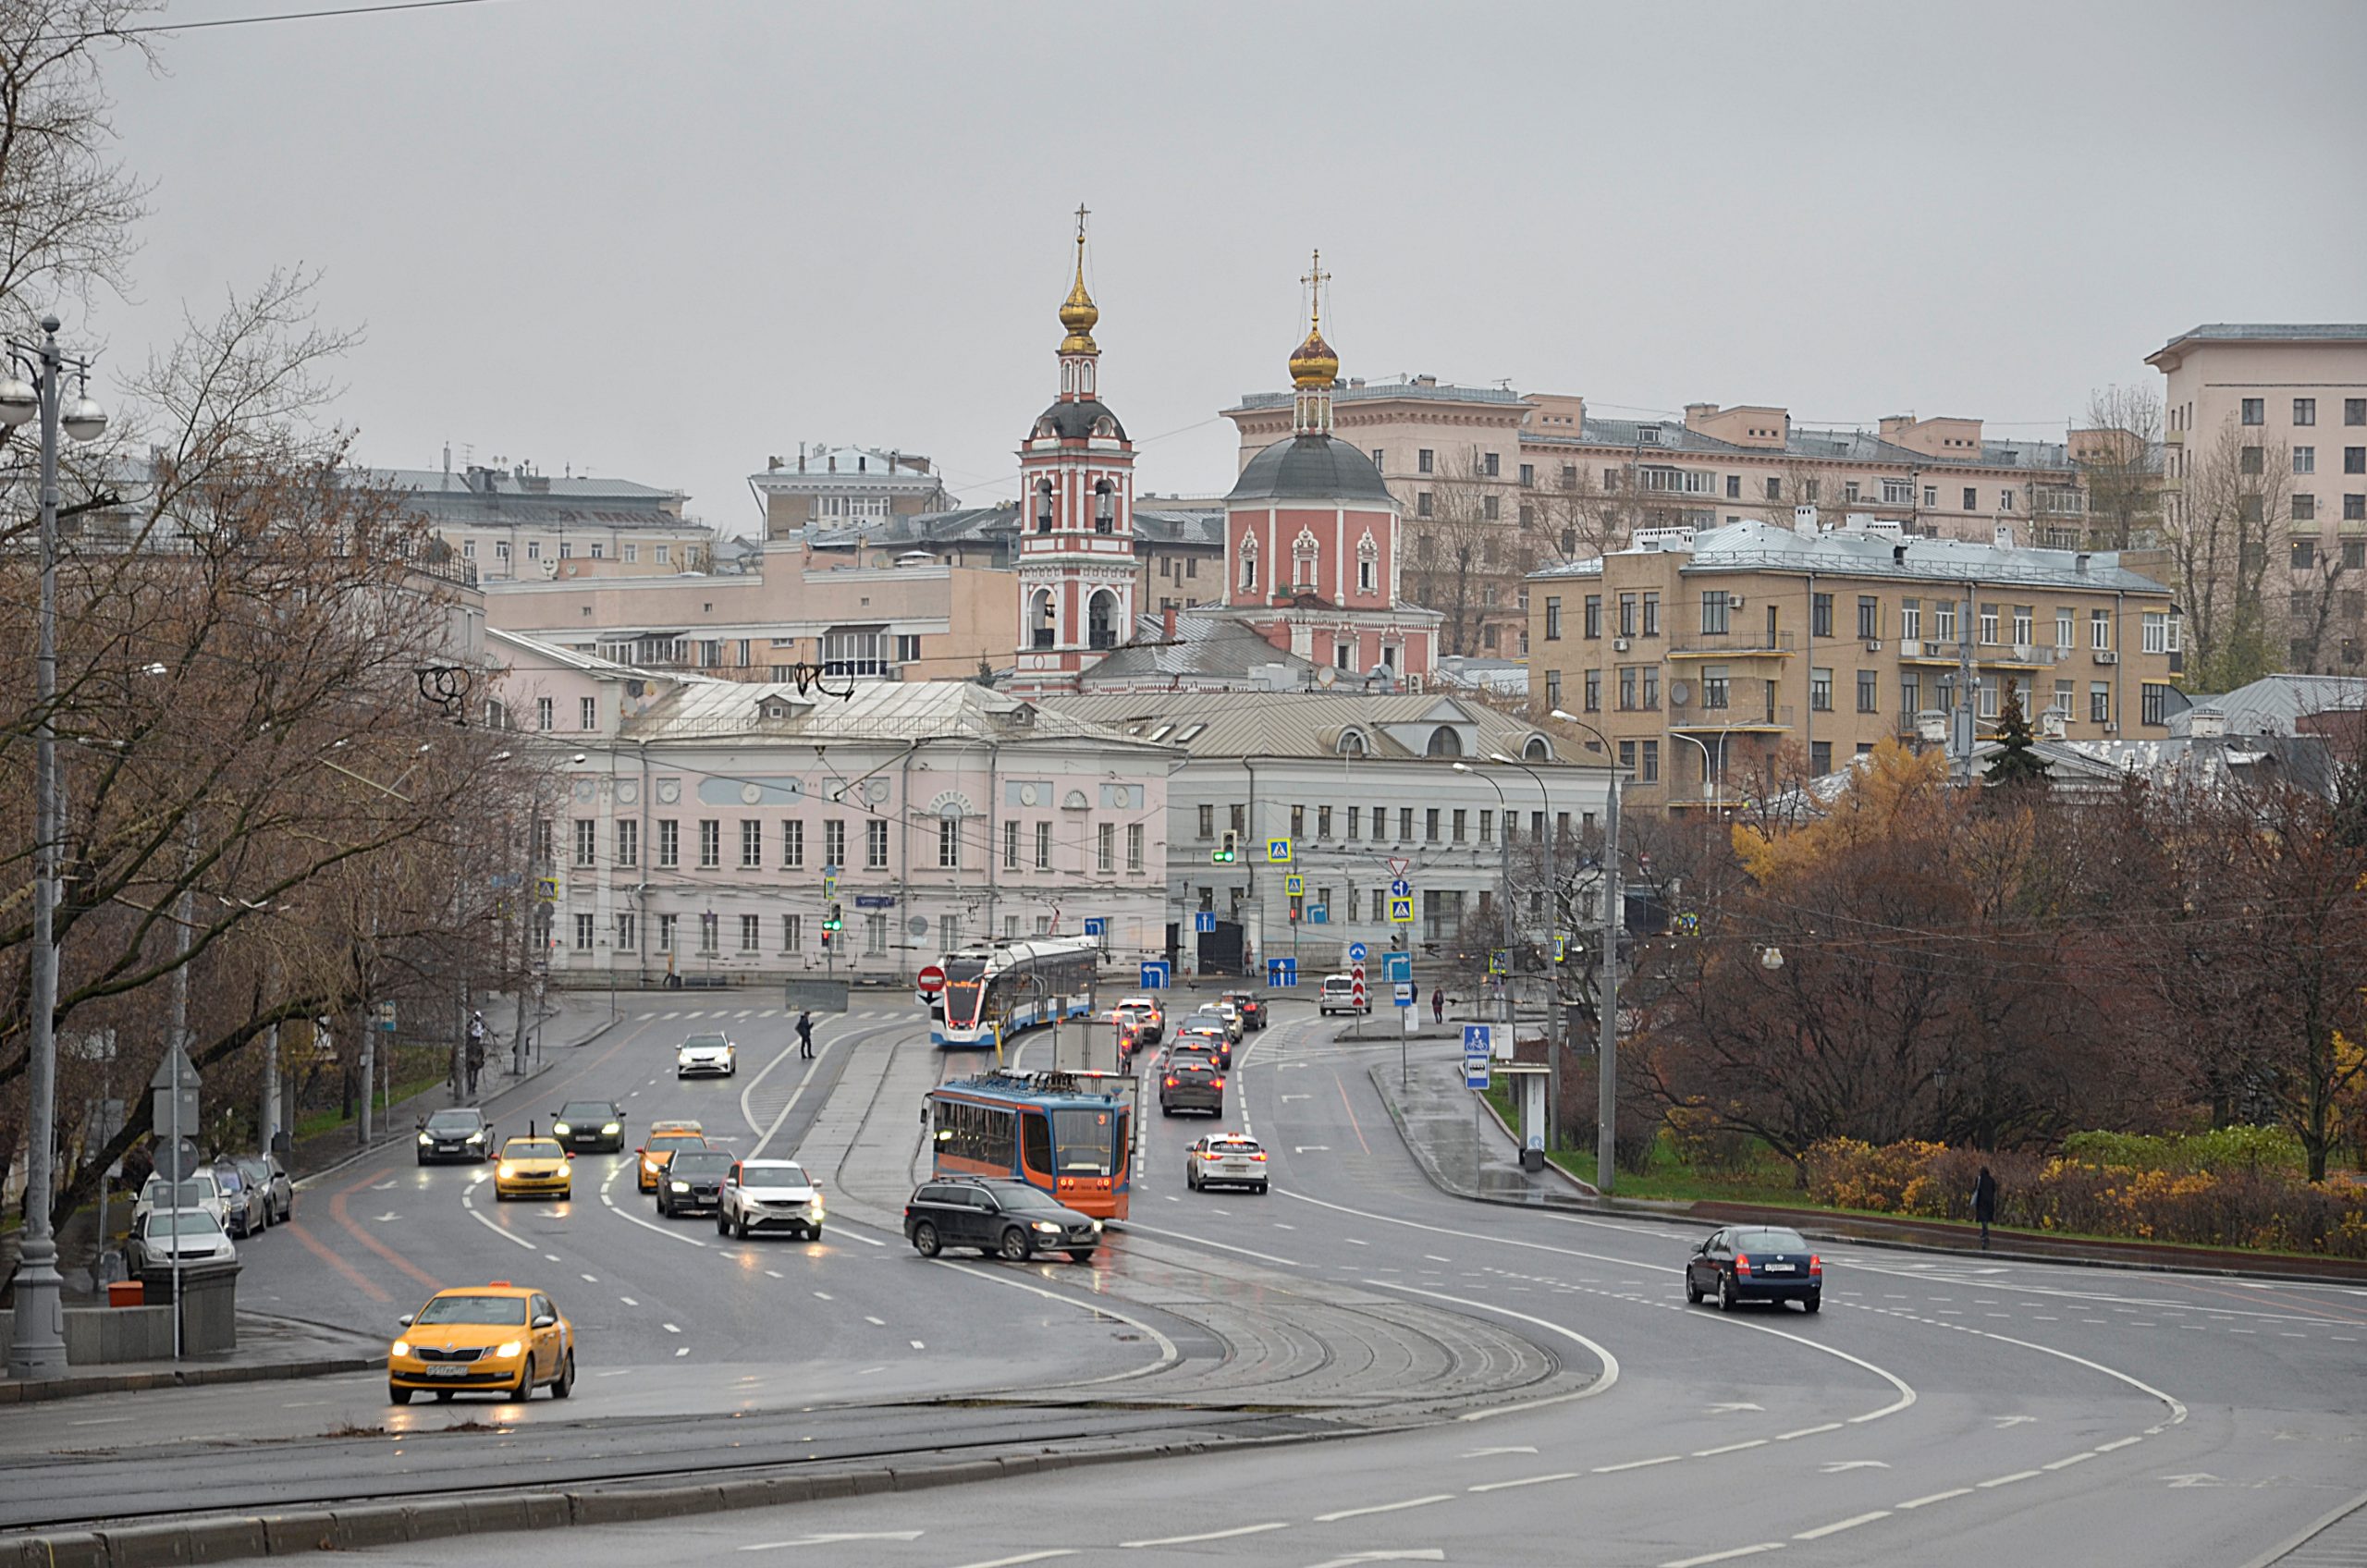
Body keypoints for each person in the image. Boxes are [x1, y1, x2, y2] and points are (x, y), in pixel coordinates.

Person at [1972, 1165, 1999, 1250]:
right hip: (1989, 1201)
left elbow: (1976, 1189)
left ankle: (1985, 1231)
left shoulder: (1979, 1179)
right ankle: (1984, 1231)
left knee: (1983, 1217)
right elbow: (1994, 1190)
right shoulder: (1992, 1180)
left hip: (1981, 1201)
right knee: (1986, 1217)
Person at [465, 1011, 486, 1096]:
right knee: (467, 1047)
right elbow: (468, 1028)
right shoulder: (472, 1021)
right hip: (472, 1038)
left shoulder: (481, 1023)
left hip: (477, 1038)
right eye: (477, 1017)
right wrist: (471, 1028)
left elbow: (482, 1030)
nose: (478, 1018)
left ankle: (481, 1061)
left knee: (480, 1049)